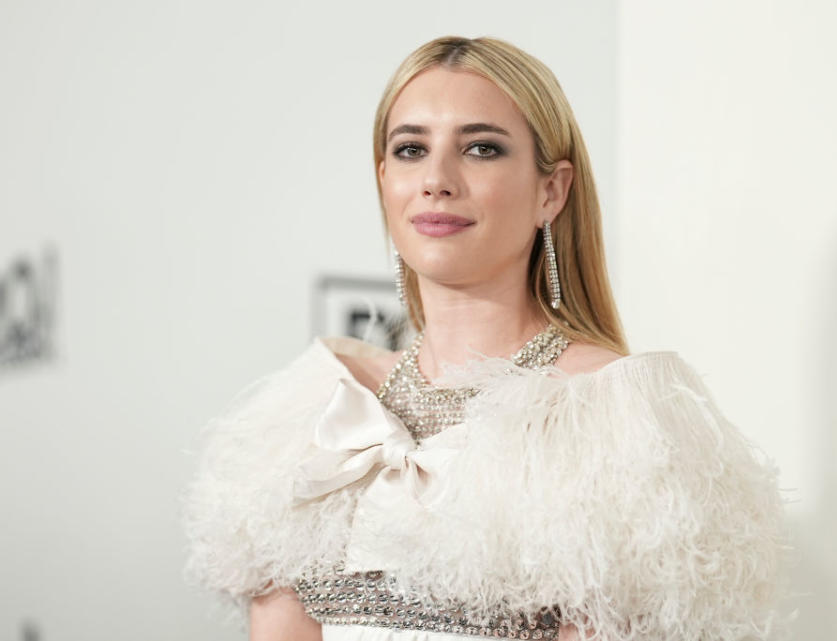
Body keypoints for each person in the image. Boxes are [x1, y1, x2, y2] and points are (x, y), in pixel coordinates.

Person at [183, 36, 791, 641]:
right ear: (384, 180)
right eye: (411, 149)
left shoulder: (614, 425)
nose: (436, 179)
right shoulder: (312, 415)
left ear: (550, 191)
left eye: (480, 148)